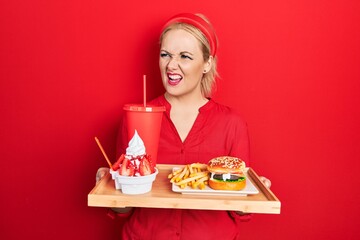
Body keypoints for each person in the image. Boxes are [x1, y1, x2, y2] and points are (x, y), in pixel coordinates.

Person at [96, 13, 271, 240]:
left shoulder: (232, 123)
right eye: (165, 54)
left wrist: (252, 190)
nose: (171, 65)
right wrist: (110, 186)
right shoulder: (136, 117)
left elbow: (240, 209)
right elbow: (124, 207)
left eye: (185, 56)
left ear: (207, 63)